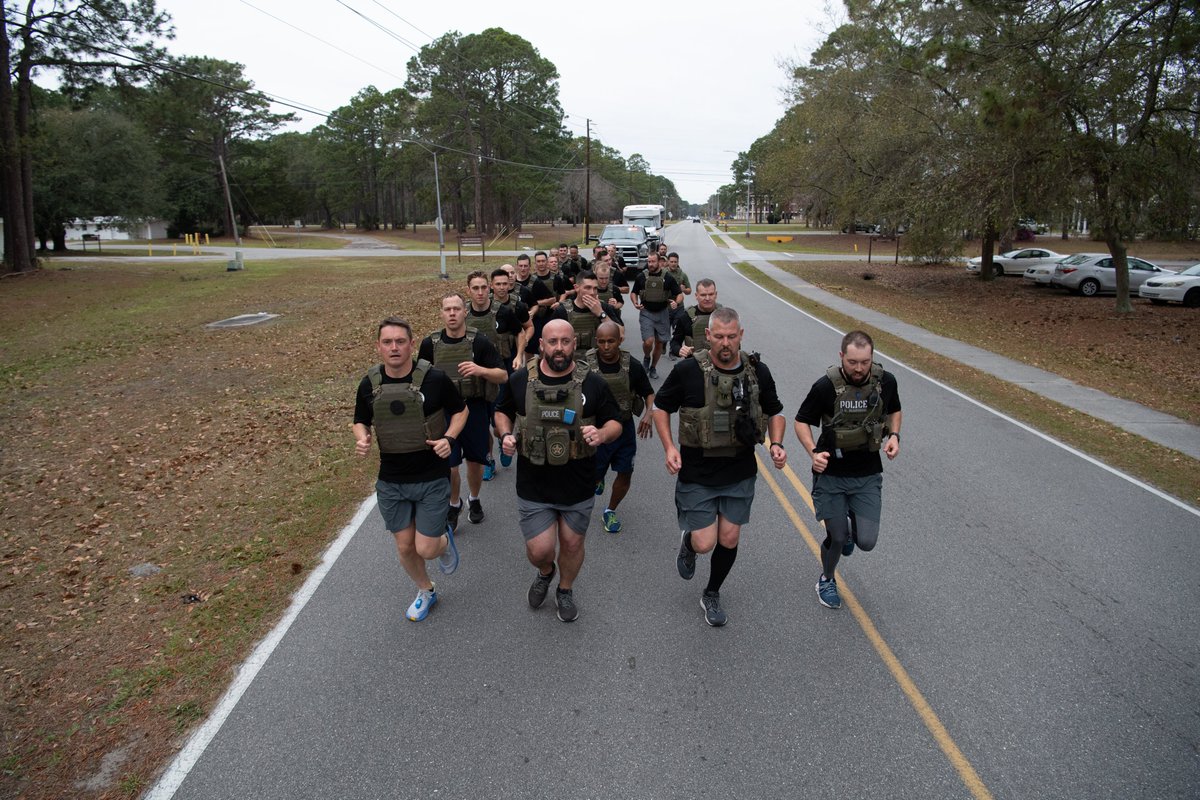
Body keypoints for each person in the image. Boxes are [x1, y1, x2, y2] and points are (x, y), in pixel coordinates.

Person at [652, 307, 787, 627]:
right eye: (719, 336)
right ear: (708, 336)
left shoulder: (758, 371)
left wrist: (777, 444)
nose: (726, 343)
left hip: (739, 472)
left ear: (741, 335)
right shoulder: (688, 371)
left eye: (732, 336)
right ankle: (688, 543)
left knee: (728, 538)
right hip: (697, 473)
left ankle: (711, 592)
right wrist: (670, 447)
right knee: (704, 542)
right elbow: (660, 408)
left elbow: (776, 412)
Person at [493, 319, 624, 623]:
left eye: (566, 341)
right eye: (553, 342)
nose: (560, 348)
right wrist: (506, 435)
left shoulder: (592, 382)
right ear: (541, 345)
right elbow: (502, 410)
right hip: (533, 482)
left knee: (572, 542)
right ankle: (545, 571)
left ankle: (565, 589)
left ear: (574, 344)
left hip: (577, 482)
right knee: (540, 550)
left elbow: (615, 422)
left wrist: (602, 435)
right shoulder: (521, 379)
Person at [353, 317, 469, 622]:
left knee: (427, 548)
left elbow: (461, 411)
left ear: (411, 344)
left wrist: (449, 438)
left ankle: (443, 541)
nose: (394, 348)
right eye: (387, 342)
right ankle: (426, 590)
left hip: (430, 475)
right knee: (405, 546)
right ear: (378, 346)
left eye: (400, 341)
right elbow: (360, 420)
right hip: (392, 479)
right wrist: (362, 438)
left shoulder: (435, 379)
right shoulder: (369, 384)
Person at [793, 330, 902, 610]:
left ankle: (851, 527)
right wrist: (813, 453)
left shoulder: (885, 382)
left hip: (866, 474)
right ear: (842, 357)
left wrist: (895, 436)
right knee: (838, 537)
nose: (858, 368)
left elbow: (895, 410)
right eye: (852, 362)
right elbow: (801, 421)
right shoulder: (825, 387)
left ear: (872, 358)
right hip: (831, 474)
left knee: (866, 542)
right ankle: (827, 579)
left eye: (864, 362)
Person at [419, 293, 508, 529]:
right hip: (443, 413)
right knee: (449, 463)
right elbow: (419, 380)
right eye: (447, 309)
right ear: (441, 313)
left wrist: (480, 370)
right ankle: (454, 503)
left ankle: (474, 499)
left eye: (456, 309)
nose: (452, 313)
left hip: (474, 408)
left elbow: (502, 375)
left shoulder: (479, 342)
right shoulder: (430, 344)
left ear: (464, 312)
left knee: (475, 462)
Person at [588, 320, 654, 534]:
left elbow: (649, 393)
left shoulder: (631, 366)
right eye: (601, 342)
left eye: (611, 341)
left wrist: (648, 414)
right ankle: (597, 481)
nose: (606, 347)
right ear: (596, 341)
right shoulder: (586, 366)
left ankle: (610, 510)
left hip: (624, 429)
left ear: (620, 340)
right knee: (593, 476)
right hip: (596, 432)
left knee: (625, 473)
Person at [630, 251, 683, 380]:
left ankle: (653, 367)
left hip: (662, 313)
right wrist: (635, 303)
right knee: (648, 342)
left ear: (659, 262)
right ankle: (647, 357)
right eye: (649, 261)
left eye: (653, 261)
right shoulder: (641, 277)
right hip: (646, 313)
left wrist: (676, 302)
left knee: (659, 343)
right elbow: (634, 292)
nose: (651, 264)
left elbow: (679, 294)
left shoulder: (668, 277)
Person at [550, 271, 624, 351]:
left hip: (597, 358)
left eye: (595, 288)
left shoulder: (604, 307)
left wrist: (601, 314)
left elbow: (621, 334)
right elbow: (550, 339)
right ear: (576, 288)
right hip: (570, 359)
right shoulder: (562, 310)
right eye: (587, 288)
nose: (592, 292)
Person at [670, 278, 721, 359]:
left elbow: (735, 343)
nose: (707, 298)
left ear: (716, 294)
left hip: (720, 363)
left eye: (711, 294)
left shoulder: (724, 315)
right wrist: (680, 350)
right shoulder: (686, 317)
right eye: (703, 295)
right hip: (694, 363)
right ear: (696, 296)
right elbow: (675, 342)